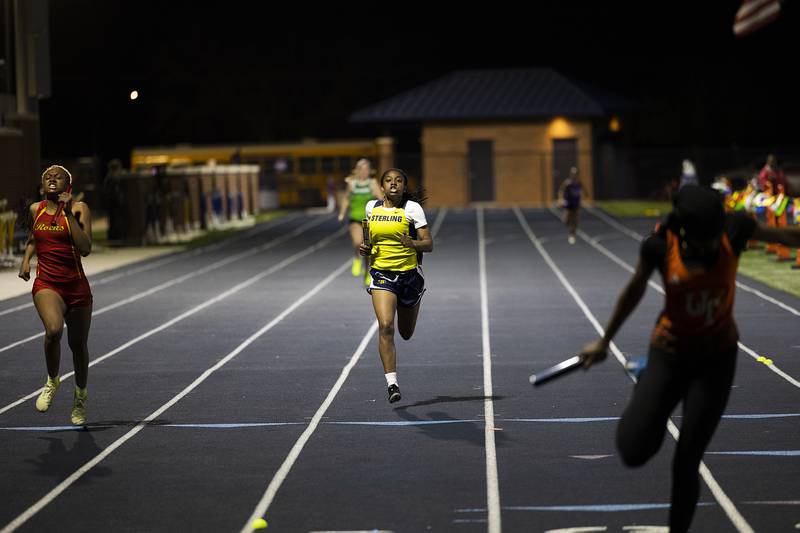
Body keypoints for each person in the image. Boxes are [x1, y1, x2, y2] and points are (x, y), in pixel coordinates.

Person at [578, 184, 800, 532]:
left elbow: (783, 235)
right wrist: (604, 340)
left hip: (716, 361)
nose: (713, 244)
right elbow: (635, 289)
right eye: (704, 239)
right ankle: (645, 388)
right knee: (634, 450)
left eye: (715, 236)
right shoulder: (660, 246)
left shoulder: (734, 230)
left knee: (687, 461)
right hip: (670, 354)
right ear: (683, 231)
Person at [18, 165, 93, 426]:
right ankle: (52, 380)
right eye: (47, 176)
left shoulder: (80, 209)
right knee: (53, 330)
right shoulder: (34, 209)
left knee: (78, 346)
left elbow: (85, 248)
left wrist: (69, 213)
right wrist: (26, 260)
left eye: (57, 176)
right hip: (47, 284)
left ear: (68, 184)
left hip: (76, 287)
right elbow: (32, 237)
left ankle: (80, 397)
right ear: (41, 184)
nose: (52, 178)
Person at [359, 168, 432, 403]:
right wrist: (365, 249)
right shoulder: (371, 208)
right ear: (382, 187)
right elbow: (368, 240)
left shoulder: (412, 209)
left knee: (406, 333)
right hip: (382, 275)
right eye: (389, 181)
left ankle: (412, 300)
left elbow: (429, 244)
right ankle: (392, 384)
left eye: (399, 181)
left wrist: (412, 243)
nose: (394, 184)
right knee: (386, 326)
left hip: (409, 277)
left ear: (403, 187)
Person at [338, 159, 380, 283]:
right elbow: (346, 199)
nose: (364, 171)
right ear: (357, 170)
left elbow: (382, 199)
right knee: (358, 242)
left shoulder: (372, 183)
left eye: (366, 169)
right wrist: (342, 213)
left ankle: (367, 272)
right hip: (355, 219)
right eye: (361, 169)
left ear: (369, 170)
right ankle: (356, 258)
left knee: (367, 248)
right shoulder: (352, 183)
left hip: (368, 221)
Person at [557, 166, 583, 244]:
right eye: (572, 174)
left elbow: (584, 190)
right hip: (569, 204)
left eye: (575, 174)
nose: (574, 175)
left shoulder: (579, 183)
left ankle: (572, 234)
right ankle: (568, 222)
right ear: (570, 174)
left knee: (576, 221)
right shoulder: (567, 183)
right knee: (566, 221)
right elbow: (561, 190)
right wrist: (560, 199)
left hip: (576, 204)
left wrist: (583, 196)